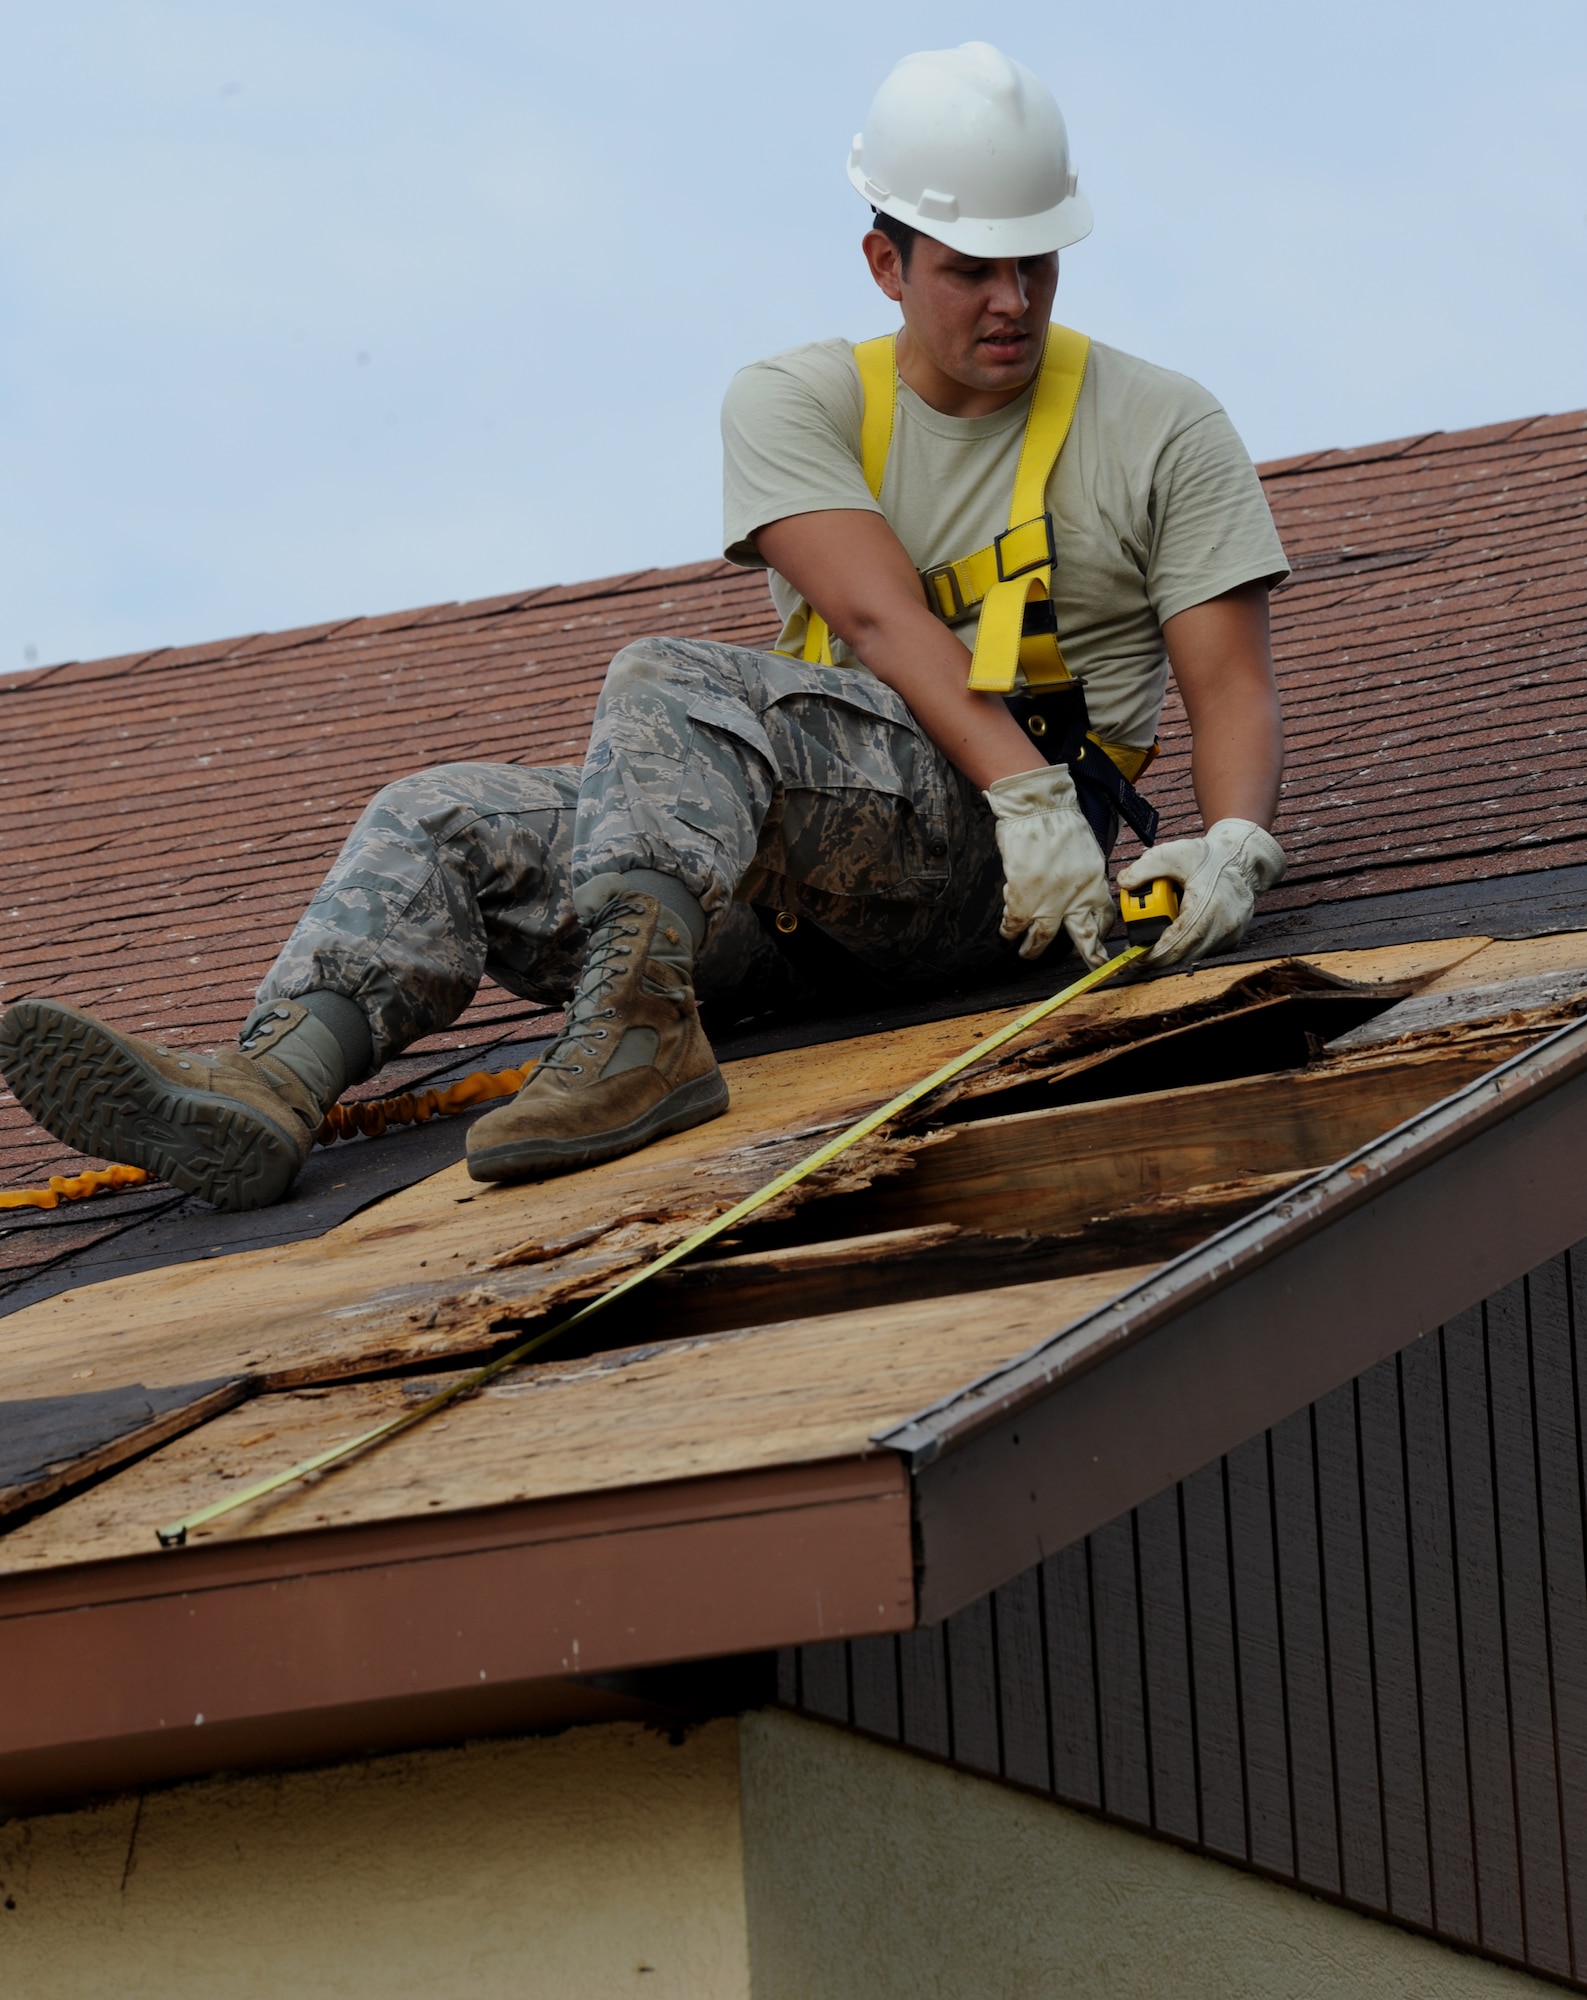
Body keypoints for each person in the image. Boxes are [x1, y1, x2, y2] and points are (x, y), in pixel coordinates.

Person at [0, 41, 1289, 1215]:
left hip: (1014, 880)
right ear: (886, 264)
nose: (1010, 299)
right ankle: (272, 1088)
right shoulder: (796, 402)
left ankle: (633, 1042)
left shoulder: (1160, 427)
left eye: (1035, 263)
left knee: (668, 683)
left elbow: (1228, 687)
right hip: (780, 907)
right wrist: (1017, 787)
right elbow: (871, 611)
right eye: (970, 269)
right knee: (439, 817)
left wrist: (1232, 848)